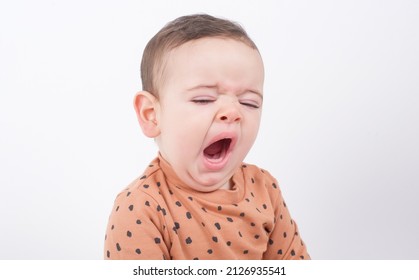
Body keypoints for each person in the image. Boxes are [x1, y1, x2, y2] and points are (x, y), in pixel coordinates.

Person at [104, 14, 310, 260]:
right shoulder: (140, 208)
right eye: (203, 99)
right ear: (152, 115)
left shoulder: (265, 189)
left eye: (249, 102)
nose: (233, 113)